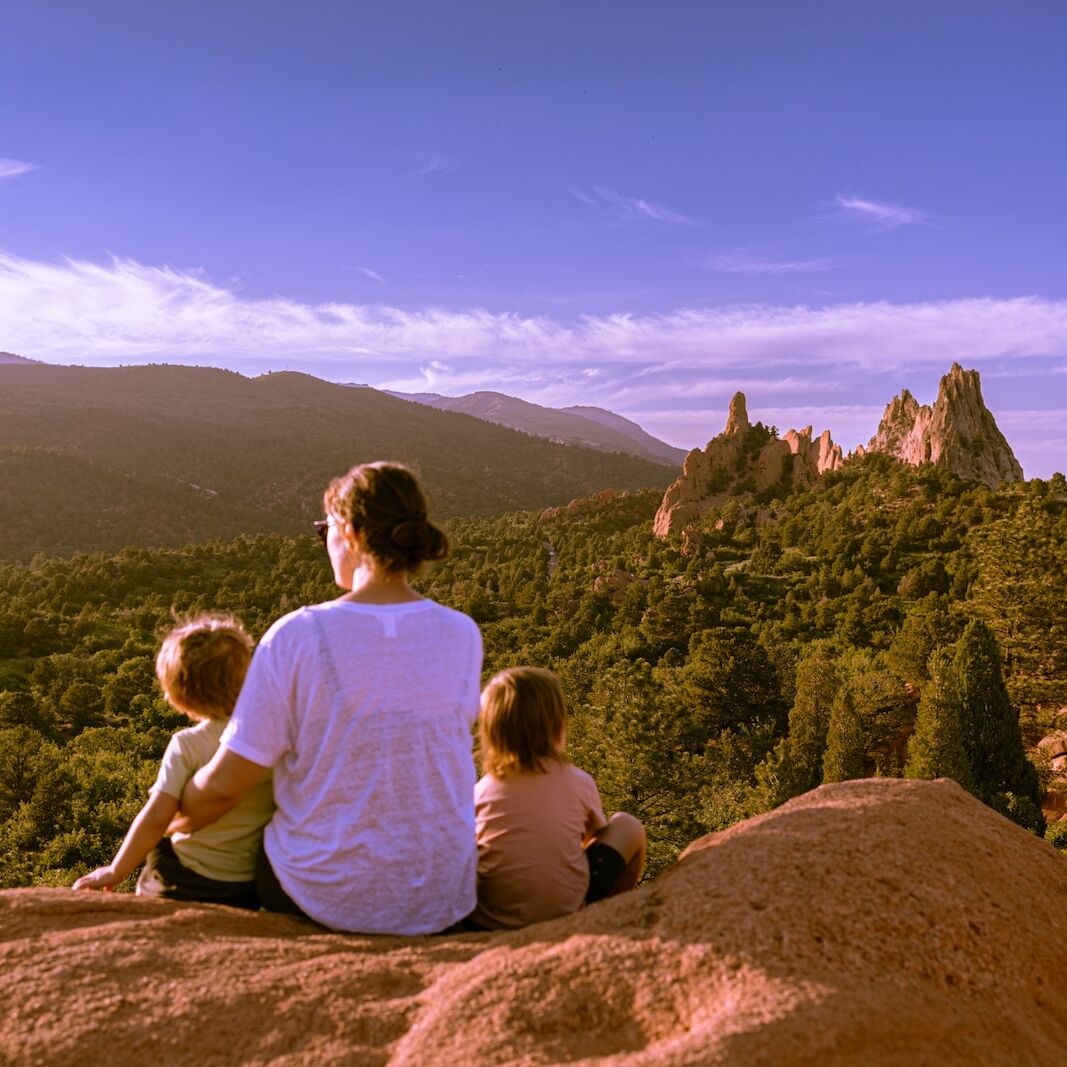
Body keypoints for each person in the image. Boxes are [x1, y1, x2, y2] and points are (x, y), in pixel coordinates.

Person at [176, 462, 483, 935]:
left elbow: (225, 785)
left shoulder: (298, 634)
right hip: (443, 893)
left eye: (325, 530)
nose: (324, 543)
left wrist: (170, 816)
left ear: (352, 533)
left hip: (321, 894)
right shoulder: (462, 633)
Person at [73, 614, 273, 908]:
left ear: (179, 696)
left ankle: (149, 900)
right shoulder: (273, 736)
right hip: (247, 885)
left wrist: (115, 870)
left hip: (187, 878)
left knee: (162, 846)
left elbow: (157, 817)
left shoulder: (187, 745)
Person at [470, 666, 646, 930]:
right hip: (565, 914)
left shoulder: (482, 790)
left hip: (491, 922)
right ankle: (612, 914)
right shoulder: (578, 781)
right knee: (628, 826)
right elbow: (591, 839)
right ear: (558, 726)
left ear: (491, 733)